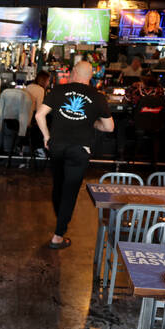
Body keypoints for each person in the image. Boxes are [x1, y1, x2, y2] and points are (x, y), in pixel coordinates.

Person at [35, 61, 114, 250]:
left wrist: (47, 137)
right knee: (69, 192)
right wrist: (93, 124)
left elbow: (39, 115)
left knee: (58, 186)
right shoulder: (98, 96)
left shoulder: (58, 90)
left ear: (73, 73)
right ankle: (58, 236)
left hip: (56, 146)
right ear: (90, 76)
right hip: (79, 150)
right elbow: (109, 127)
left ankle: (60, 218)